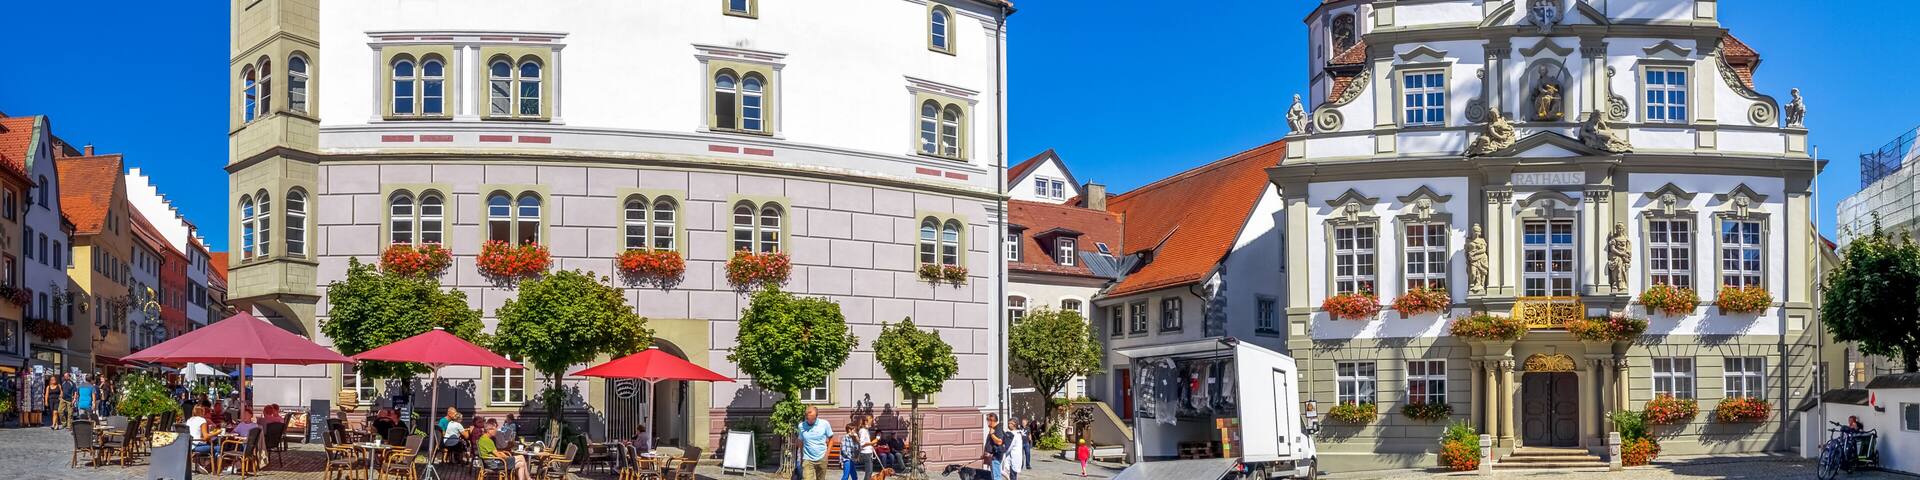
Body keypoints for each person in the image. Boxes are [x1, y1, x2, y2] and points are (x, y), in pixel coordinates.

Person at [796, 406, 832, 480]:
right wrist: (802, 455)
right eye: (808, 419)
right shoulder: (801, 426)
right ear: (806, 417)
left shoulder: (824, 424)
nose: (810, 421)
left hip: (822, 457)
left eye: (813, 419)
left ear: (816, 416)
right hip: (807, 459)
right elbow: (800, 440)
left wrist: (827, 454)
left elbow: (831, 438)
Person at [983, 413, 1011, 480]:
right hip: (993, 456)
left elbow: (999, 442)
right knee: (994, 475)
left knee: (996, 476)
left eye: (987, 420)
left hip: (996, 456)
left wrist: (992, 434)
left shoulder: (997, 429)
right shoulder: (994, 428)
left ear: (991, 420)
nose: (987, 422)